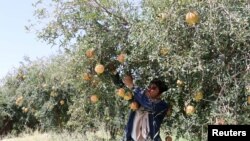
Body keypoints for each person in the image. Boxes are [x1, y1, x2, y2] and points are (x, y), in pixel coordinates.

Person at [121, 74, 169, 141]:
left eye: (154, 88)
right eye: (149, 87)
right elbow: (122, 90)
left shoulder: (162, 106)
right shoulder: (139, 99)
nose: (149, 89)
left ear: (160, 93)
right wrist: (113, 73)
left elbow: (148, 104)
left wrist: (132, 86)